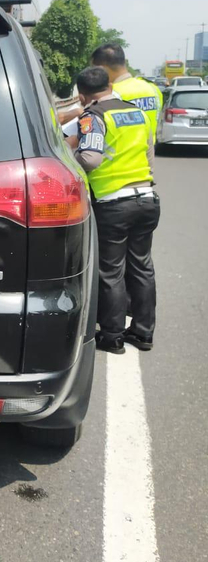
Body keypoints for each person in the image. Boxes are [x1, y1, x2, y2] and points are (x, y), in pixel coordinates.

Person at [68, 66, 161, 355]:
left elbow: (91, 158)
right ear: (109, 86)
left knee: (110, 271)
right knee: (141, 266)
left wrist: (70, 164)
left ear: (83, 96)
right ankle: (144, 332)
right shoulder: (136, 112)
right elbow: (149, 153)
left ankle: (112, 336)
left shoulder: (93, 116)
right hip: (146, 197)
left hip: (114, 204)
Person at [90, 43, 163, 139]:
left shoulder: (108, 94)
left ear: (102, 69)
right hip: (146, 152)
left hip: (118, 153)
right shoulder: (153, 89)